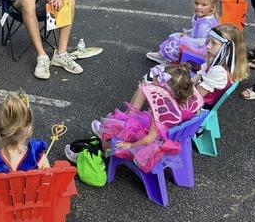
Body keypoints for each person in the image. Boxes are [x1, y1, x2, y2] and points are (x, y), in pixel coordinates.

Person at [65, 64, 204, 173]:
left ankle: (89, 157)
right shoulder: (184, 101)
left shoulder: (162, 115)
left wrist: (130, 145)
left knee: (115, 140)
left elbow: (149, 139)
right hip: (165, 136)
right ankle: (107, 134)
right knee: (126, 126)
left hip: (150, 145)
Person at [146, 0, 219, 64]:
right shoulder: (205, 18)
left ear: (212, 7)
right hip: (196, 41)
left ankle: (169, 60)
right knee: (174, 35)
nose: (198, 7)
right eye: (197, 3)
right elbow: (196, 29)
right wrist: (188, 32)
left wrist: (186, 39)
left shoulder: (205, 24)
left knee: (176, 43)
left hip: (201, 49)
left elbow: (201, 42)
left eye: (203, 5)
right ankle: (164, 55)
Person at [193, 24, 249, 108]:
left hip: (200, 107)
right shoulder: (224, 65)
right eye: (209, 41)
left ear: (227, 49)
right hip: (199, 101)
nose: (208, 46)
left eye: (214, 43)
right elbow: (195, 79)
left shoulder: (219, 71)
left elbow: (197, 95)